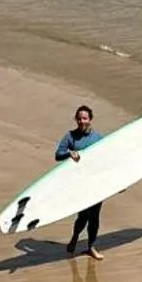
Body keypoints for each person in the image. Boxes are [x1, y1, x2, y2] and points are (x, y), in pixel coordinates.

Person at [55, 105, 104, 258]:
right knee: (83, 216)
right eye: (79, 118)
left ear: (90, 119)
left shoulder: (98, 138)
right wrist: (69, 153)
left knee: (95, 217)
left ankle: (91, 246)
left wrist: (117, 183)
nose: (82, 121)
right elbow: (58, 155)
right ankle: (75, 237)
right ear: (76, 119)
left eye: (85, 118)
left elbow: (108, 159)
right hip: (79, 182)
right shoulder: (70, 136)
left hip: (96, 182)